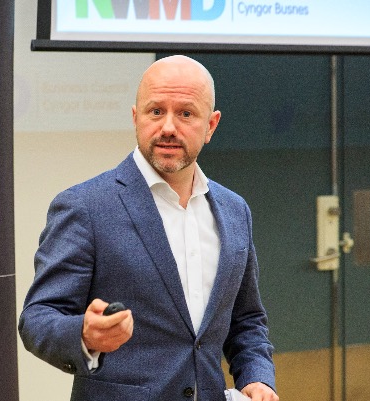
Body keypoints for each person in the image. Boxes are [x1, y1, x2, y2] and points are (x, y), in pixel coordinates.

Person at [18, 55, 278, 401]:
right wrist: (84, 334)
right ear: (135, 117)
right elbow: (37, 319)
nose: (168, 127)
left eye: (185, 113)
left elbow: (246, 320)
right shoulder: (85, 206)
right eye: (155, 111)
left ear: (211, 126)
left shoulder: (234, 210)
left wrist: (257, 379)